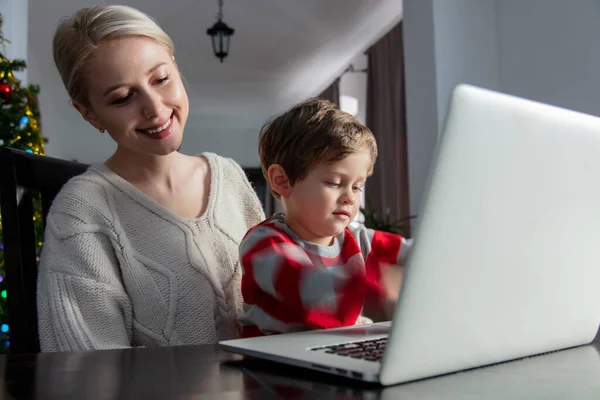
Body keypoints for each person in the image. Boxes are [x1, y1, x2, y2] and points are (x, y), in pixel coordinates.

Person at [36, 5, 265, 352]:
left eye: (161, 79)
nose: (155, 108)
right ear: (88, 113)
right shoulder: (82, 213)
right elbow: (86, 371)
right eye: (123, 97)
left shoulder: (230, 178)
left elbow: (280, 303)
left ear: (175, 63)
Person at [238, 98, 411, 337]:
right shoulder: (263, 244)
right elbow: (310, 290)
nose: (349, 198)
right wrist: (379, 284)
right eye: (334, 183)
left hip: (330, 354)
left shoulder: (358, 239)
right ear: (282, 181)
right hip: (271, 366)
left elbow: (416, 255)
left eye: (357, 187)